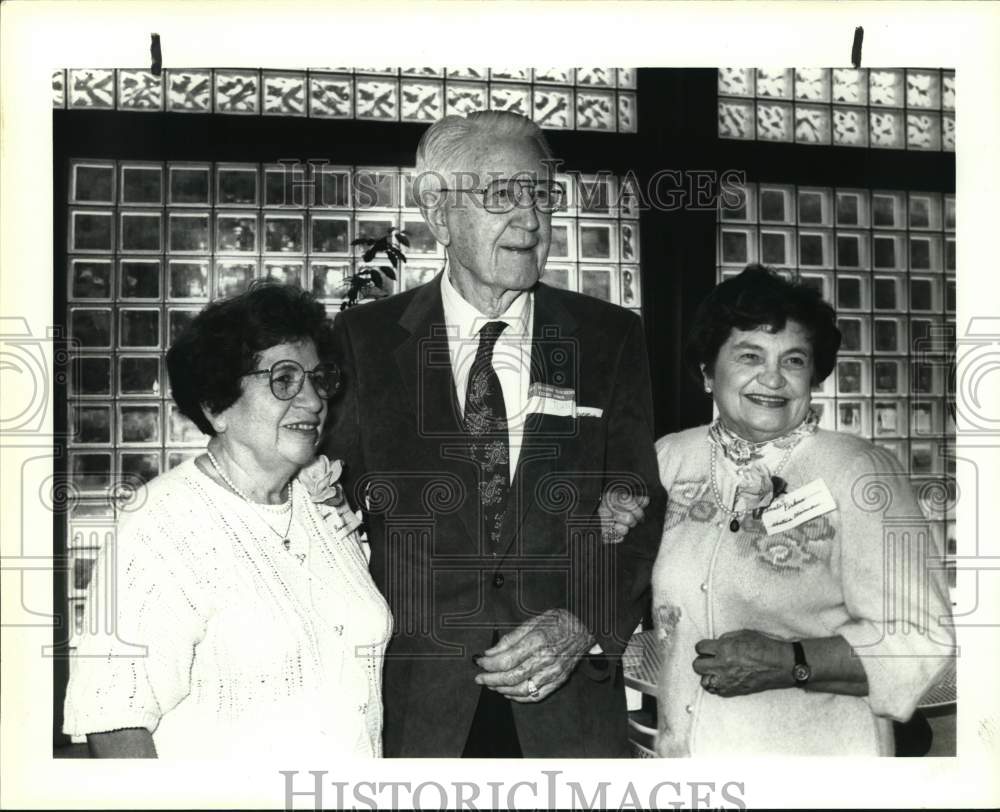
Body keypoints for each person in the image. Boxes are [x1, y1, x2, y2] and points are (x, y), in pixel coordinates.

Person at [325, 110, 666, 757]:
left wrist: (581, 621)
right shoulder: (365, 343)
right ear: (437, 209)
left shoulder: (607, 338)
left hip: (564, 708)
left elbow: (638, 506)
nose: (532, 221)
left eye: (542, 196)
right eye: (503, 195)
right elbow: (327, 516)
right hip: (417, 713)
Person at [63, 283, 392, 759]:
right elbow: (114, 722)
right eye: (283, 380)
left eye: (318, 378)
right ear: (217, 406)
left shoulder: (322, 507)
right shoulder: (160, 526)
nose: (315, 401)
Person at [651, 265, 954, 755]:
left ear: (813, 375)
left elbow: (922, 639)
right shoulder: (670, 458)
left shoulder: (859, 472)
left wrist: (790, 659)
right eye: (750, 356)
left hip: (819, 770)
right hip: (687, 764)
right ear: (707, 372)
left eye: (793, 360)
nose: (773, 378)